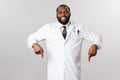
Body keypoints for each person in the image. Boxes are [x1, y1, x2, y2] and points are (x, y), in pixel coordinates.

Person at [27, 4, 102, 80]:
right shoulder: (48, 28)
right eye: (60, 12)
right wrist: (35, 44)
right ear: (56, 14)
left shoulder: (79, 28)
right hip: (55, 73)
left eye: (66, 12)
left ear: (70, 13)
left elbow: (97, 36)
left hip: (73, 73)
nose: (63, 14)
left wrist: (95, 45)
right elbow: (31, 37)